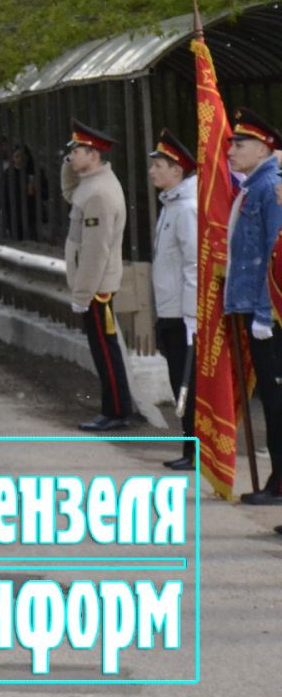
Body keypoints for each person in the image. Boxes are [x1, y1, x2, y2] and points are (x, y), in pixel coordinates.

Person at [223, 110, 282, 501]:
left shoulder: (269, 188)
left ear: (263, 148)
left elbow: (274, 257)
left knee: (277, 403)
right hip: (253, 307)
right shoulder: (254, 186)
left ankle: (279, 483)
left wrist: (263, 312)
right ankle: (278, 480)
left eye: (238, 144)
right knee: (272, 405)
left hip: (270, 315)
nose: (230, 150)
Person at [59, 123, 133, 431]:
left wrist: (81, 294)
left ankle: (116, 410)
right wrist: (68, 165)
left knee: (105, 348)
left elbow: (94, 252)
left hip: (97, 288)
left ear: (93, 154)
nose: (71, 157)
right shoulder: (91, 183)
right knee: (102, 347)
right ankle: (113, 408)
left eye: (76, 152)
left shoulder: (100, 193)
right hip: (93, 285)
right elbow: (68, 192)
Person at [146, 132, 198, 470]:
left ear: (177, 171)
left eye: (158, 165)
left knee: (187, 382)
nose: (152, 171)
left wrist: (191, 315)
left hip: (182, 313)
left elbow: (194, 264)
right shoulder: (171, 204)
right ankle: (187, 447)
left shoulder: (185, 209)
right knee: (179, 377)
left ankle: (193, 450)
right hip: (169, 309)